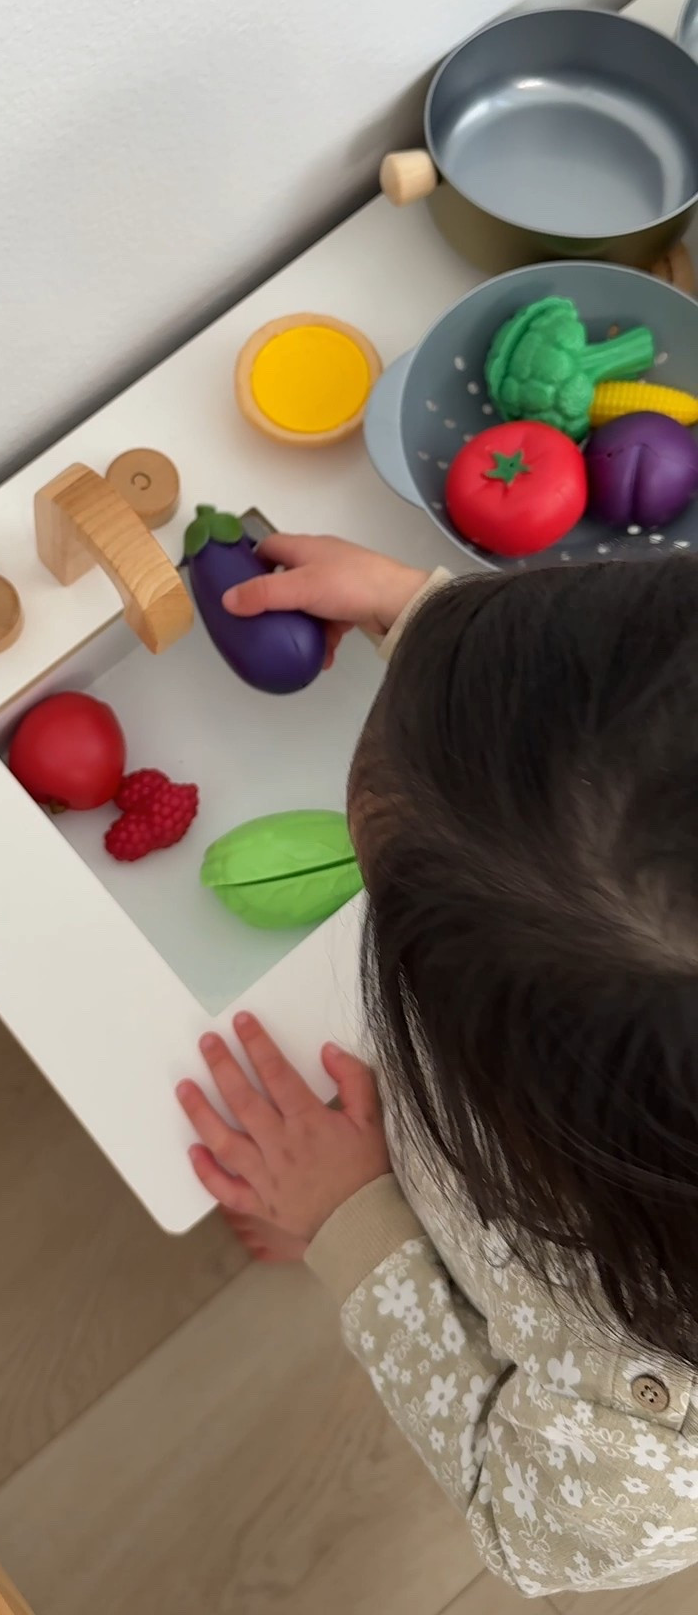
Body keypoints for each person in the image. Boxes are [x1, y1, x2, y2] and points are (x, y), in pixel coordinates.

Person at [175, 535, 698, 1598]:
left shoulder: (647, 1466)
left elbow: (510, 1511)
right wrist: (440, 636)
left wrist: (358, 1225)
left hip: (467, 1226)